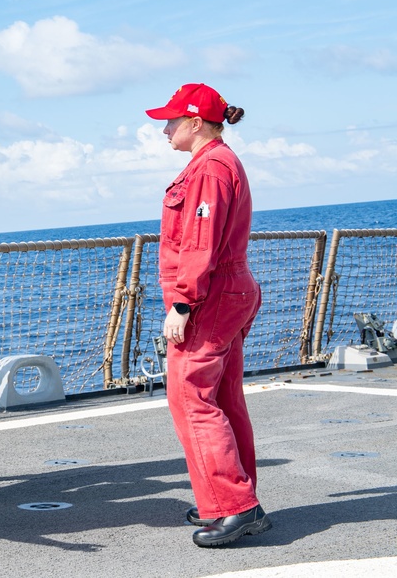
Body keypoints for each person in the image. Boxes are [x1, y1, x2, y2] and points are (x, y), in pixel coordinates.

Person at [146, 83, 271, 548]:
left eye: (172, 120)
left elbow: (199, 244)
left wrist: (182, 303)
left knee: (192, 397)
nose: (165, 128)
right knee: (223, 397)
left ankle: (234, 505)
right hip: (229, 291)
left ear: (196, 123)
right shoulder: (216, 164)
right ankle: (229, 496)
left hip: (211, 295)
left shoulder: (210, 169)